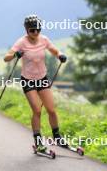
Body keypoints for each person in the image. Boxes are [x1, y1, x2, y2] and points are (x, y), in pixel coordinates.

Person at [4, 15, 68, 152]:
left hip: (42, 78)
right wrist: (16, 55)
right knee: (37, 110)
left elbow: (55, 51)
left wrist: (60, 55)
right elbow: (6, 57)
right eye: (32, 30)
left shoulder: (44, 39)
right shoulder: (21, 42)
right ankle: (38, 142)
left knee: (51, 110)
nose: (36, 32)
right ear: (27, 30)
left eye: (38, 29)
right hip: (28, 80)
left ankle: (57, 137)